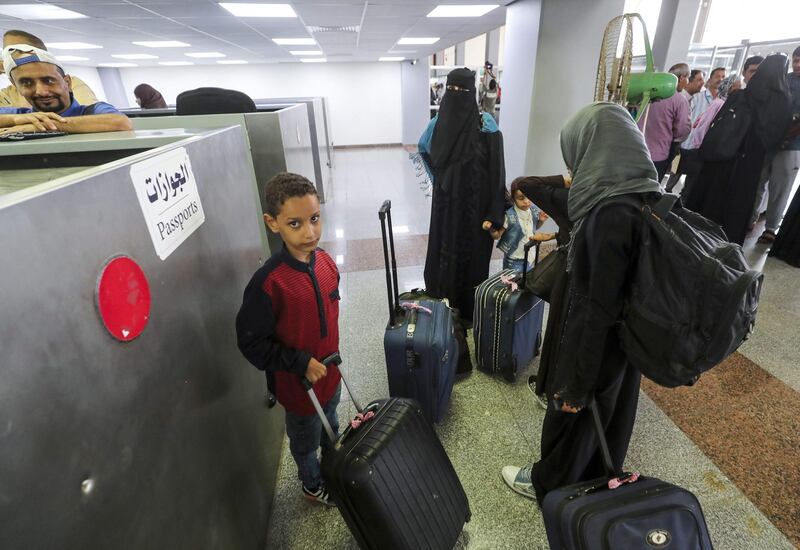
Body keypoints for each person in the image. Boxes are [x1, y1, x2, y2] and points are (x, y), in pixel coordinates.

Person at [502, 102, 662, 504]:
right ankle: (595, 479)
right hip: (626, 337)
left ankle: (548, 483)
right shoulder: (641, 192)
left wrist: (577, 381)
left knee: (573, 415)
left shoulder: (606, 212)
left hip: (595, 336)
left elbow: (596, 305)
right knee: (609, 414)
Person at [236, 172, 342, 507]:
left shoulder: (325, 262)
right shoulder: (268, 284)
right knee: (305, 440)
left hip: (331, 376)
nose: (310, 232)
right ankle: (312, 485)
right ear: (273, 223)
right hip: (299, 389)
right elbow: (252, 343)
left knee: (332, 428)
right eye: (295, 224)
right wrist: (298, 362)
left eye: (314, 219)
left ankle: (334, 468)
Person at [418, 68, 506, 324]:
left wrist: (495, 213)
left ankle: (468, 313)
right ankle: (444, 310)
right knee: (444, 256)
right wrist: (440, 181)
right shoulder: (437, 124)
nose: (456, 95)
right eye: (452, 89)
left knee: (473, 259)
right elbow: (423, 148)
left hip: (476, 211)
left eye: (462, 91)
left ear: (472, 93)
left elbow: (497, 170)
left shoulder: (486, 124)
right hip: (446, 207)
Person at [685, 55, 793, 245]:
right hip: (752, 164)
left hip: (723, 159)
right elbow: (777, 136)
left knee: (711, 200)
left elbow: (718, 127)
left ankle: (695, 238)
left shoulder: (742, 96)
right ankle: (727, 246)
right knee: (738, 205)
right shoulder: (784, 103)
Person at [512, 172, 573, 410]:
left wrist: (565, 180)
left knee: (559, 328)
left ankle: (549, 389)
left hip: (570, 275)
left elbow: (526, 183)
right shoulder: (615, 197)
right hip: (603, 282)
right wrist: (555, 235)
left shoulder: (570, 197)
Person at [0, 44, 131, 135]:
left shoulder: (94, 111)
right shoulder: (19, 115)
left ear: (67, 82)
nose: (41, 91)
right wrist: (14, 120)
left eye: (49, 80)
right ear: (17, 88)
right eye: (27, 83)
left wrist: (39, 127)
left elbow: (121, 122)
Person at [757, 46, 800, 244]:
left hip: (792, 145)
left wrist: (787, 132)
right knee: (758, 181)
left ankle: (771, 227)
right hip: (768, 140)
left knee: (780, 188)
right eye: (795, 60)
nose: (797, 65)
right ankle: (749, 219)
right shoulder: (784, 79)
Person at [680, 75, 742, 198]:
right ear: (730, 88)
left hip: (706, 150)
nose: (741, 89)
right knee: (691, 184)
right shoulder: (719, 103)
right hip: (702, 150)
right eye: (738, 86)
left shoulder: (726, 104)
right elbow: (703, 126)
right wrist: (699, 146)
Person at [0, 29, 97, 108]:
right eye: (6, 54)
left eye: (49, 81)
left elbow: (91, 118)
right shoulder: (8, 93)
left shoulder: (73, 83)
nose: (41, 92)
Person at [637, 63, 691, 182]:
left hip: (636, 149)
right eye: (688, 78)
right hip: (658, 155)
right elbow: (681, 130)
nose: (687, 82)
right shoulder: (679, 100)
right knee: (649, 192)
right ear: (682, 78)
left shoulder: (649, 92)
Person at [486, 179, 554, 272]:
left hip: (529, 256)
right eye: (521, 198)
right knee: (511, 283)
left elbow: (534, 228)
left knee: (526, 279)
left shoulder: (533, 211)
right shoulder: (509, 216)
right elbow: (497, 236)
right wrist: (492, 230)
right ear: (513, 198)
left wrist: (541, 221)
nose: (526, 201)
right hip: (514, 259)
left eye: (529, 197)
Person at [665, 69, 707, 190]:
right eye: (699, 80)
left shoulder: (693, 99)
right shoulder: (679, 99)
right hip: (673, 144)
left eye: (703, 80)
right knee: (669, 175)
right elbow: (679, 126)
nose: (702, 83)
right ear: (687, 81)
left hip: (685, 146)